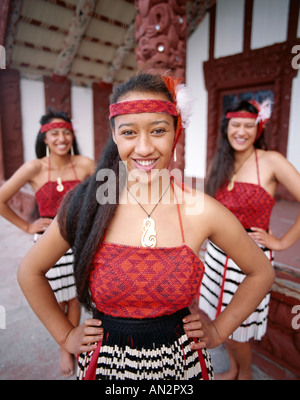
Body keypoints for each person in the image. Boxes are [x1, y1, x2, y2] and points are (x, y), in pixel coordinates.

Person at [17, 73, 274, 380]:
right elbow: (29, 272)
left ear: (176, 131)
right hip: (107, 366)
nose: (143, 147)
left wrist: (218, 330)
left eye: (158, 130)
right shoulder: (88, 203)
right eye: (129, 132)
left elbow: (261, 272)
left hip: (180, 364)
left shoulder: (202, 210)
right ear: (114, 135)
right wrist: (66, 337)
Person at [199, 99, 300, 380]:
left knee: (235, 330)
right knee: (221, 322)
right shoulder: (219, 163)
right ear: (226, 128)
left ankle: (245, 376)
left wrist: (280, 242)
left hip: (249, 264)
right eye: (235, 125)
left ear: (259, 128)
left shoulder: (271, 161)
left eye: (248, 125)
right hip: (217, 257)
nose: (241, 131)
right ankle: (233, 370)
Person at [0, 110, 95, 376]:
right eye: (54, 133)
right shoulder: (35, 167)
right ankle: (65, 345)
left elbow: (104, 198)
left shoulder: (86, 164)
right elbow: (1, 198)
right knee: (58, 298)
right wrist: (27, 226)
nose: (61, 138)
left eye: (66, 132)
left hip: (80, 242)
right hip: (48, 244)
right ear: (45, 138)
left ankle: (69, 346)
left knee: (76, 297)